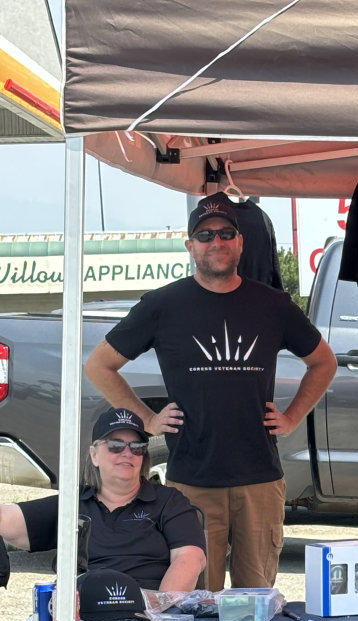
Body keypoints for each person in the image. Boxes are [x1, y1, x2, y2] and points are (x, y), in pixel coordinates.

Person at [84, 197, 337, 592]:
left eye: (225, 233)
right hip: (192, 483)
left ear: (240, 243)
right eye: (204, 235)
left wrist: (293, 416)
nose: (215, 241)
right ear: (190, 246)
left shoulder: (272, 305)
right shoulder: (163, 305)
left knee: (257, 602)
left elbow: (323, 362)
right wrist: (147, 419)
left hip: (259, 480)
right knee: (197, 603)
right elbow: (99, 365)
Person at [0, 409, 206, 591]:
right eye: (115, 445)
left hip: (151, 613)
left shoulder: (169, 501)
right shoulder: (73, 504)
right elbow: (5, 519)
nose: (127, 453)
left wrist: (157, 609)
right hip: (84, 618)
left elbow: (189, 558)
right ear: (94, 455)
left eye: (137, 446)